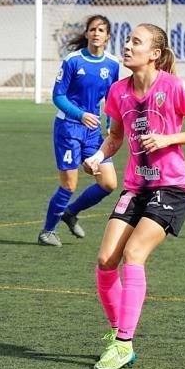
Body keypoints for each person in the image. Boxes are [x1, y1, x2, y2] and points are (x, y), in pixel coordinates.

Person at [82, 23, 185, 369]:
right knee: (104, 261)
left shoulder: (173, 87)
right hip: (136, 187)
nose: (127, 46)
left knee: (133, 254)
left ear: (154, 54)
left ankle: (125, 343)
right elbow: (115, 136)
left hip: (172, 188)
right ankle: (117, 334)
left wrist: (169, 139)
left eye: (136, 42)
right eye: (127, 41)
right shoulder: (118, 91)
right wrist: (98, 158)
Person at [38, 15, 120, 247]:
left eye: (101, 30)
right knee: (69, 184)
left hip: (93, 132)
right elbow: (58, 96)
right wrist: (80, 114)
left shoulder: (112, 64)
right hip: (69, 128)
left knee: (108, 184)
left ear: (108, 36)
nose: (96, 33)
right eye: (92, 29)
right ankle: (47, 231)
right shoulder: (73, 60)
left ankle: (70, 212)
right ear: (86, 34)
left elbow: (112, 100)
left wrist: (110, 128)